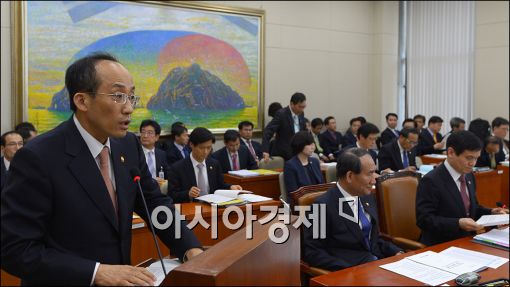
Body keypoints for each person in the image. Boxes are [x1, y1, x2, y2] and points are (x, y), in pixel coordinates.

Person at [0, 53, 203, 285]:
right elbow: (14, 249)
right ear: (82, 101)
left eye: (131, 96)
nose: (129, 108)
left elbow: (155, 204)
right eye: (117, 96)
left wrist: (189, 248)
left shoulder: (127, 144)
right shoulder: (38, 157)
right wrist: (96, 272)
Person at [303, 148, 403, 271]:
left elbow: (373, 239)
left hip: (377, 266)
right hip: (350, 272)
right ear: (350, 176)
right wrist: (349, 270)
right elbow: (314, 253)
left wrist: (396, 252)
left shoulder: (367, 196)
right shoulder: (322, 207)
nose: (374, 179)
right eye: (369, 174)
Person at [416, 131, 508, 246]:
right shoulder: (431, 180)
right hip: (441, 244)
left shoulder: (469, 175)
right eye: (469, 158)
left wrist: (490, 212)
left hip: (468, 240)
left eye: (476, 158)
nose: (473, 163)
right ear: (451, 152)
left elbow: (471, 209)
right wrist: (457, 223)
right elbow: (424, 220)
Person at [167, 127, 242, 203]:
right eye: (202, 148)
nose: (206, 152)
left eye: (209, 148)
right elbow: (172, 195)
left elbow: (220, 186)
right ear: (191, 145)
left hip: (212, 207)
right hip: (190, 209)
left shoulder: (214, 164)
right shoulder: (177, 168)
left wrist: (230, 187)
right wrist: (188, 194)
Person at [262, 92, 307, 161]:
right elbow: (268, 131)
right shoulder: (281, 114)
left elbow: (302, 131)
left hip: (298, 153)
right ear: (292, 104)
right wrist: (265, 150)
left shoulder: (301, 114)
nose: (302, 109)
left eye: (303, 107)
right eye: (300, 107)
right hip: (283, 154)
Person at [283, 131, 324, 203]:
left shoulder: (315, 161)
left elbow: (322, 186)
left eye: (313, 143)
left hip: (318, 201)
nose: (313, 147)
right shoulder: (290, 165)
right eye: (309, 144)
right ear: (300, 145)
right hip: (301, 205)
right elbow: (294, 193)